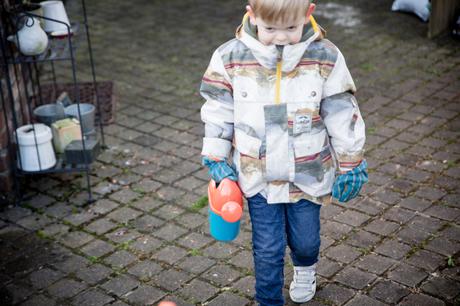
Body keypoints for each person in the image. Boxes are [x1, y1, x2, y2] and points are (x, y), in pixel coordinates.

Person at [200, 0, 368, 305]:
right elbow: (217, 108)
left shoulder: (325, 56)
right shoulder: (230, 57)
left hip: (306, 172)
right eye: (269, 28)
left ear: (308, 13)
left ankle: (305, 268)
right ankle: (268, 300)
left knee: (305, 241)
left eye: (291, 28)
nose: (280, 37)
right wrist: (216, 155)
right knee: (267, 248)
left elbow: (341, 110)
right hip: (257, 176)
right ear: (252, 15)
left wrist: (351, 160)